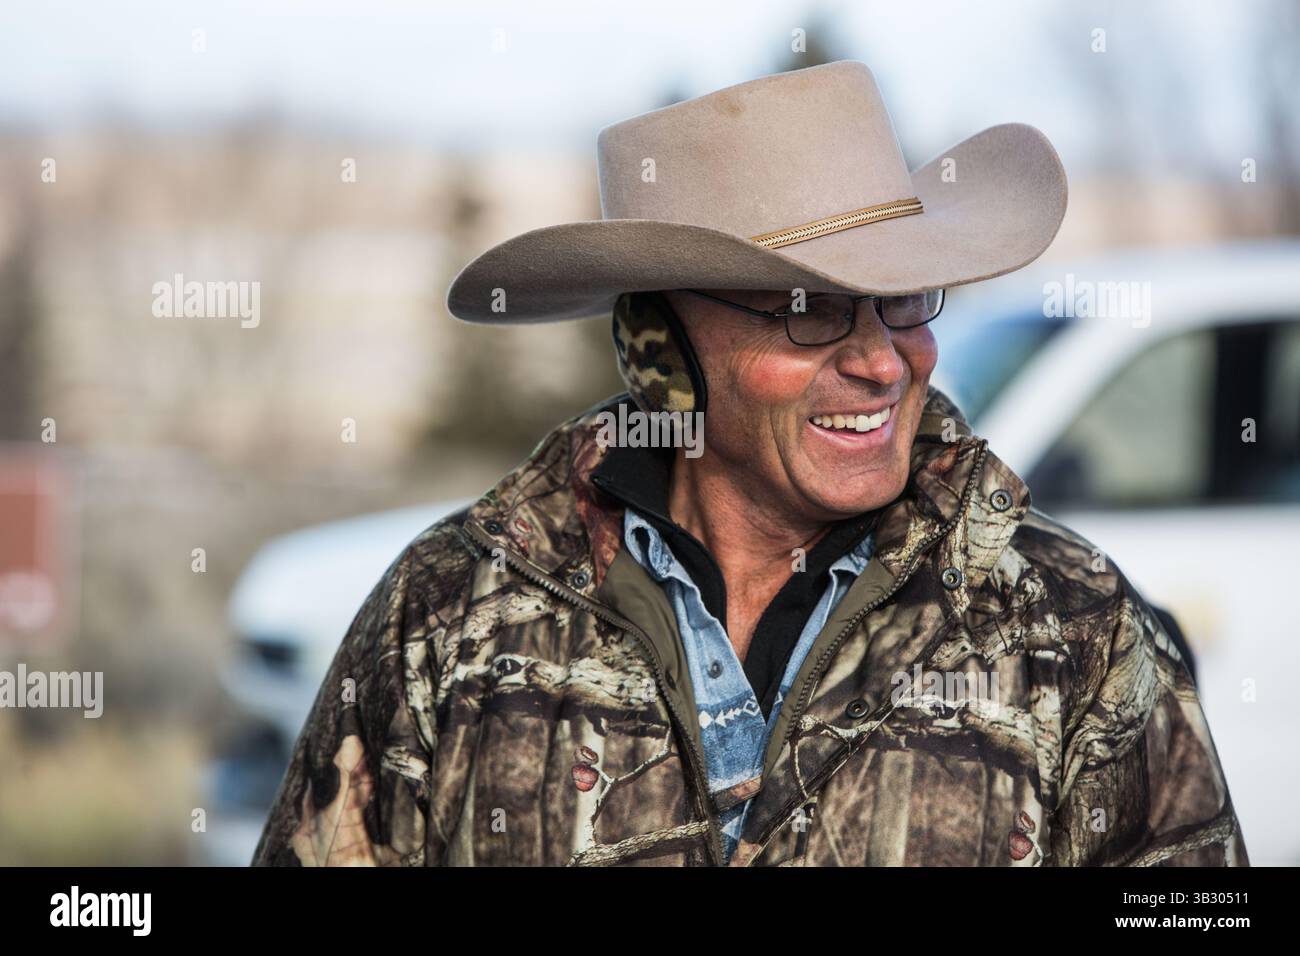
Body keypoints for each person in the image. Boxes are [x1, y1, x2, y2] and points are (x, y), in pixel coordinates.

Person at [252, 60, 1247, 866]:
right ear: (660, 348)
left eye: (901, 299)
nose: (877, 359)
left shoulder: (1073, 627)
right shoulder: (444, 615)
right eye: (808, 310)